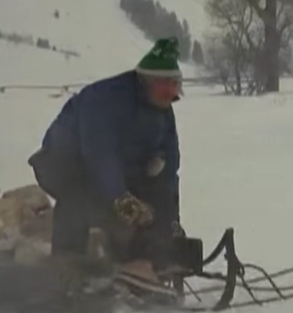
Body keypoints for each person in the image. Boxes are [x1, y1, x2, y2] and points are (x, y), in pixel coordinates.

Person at [27, 37, 185, 298]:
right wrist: (119, 197)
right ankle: (64, 268)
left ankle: (141, 264)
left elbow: (168, 171)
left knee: (151, 193)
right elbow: (100, 154)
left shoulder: (163, 113)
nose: (170, 92)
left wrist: (171, 221)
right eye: (164, 85)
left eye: (175, 84)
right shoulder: (107, 99)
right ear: (146, 81)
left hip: (115, 167)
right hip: (62, 161)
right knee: (77, 194)